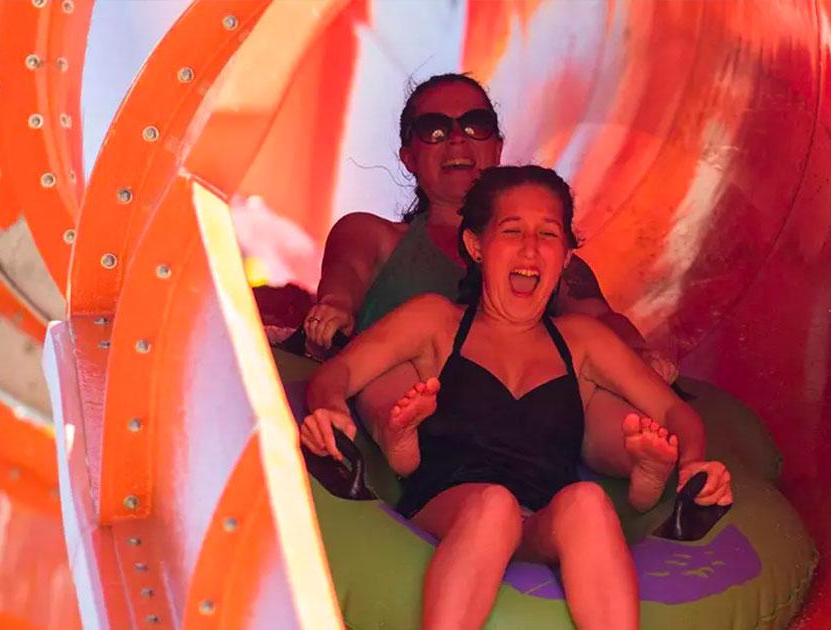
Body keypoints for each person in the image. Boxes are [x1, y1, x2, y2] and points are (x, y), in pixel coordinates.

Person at [300, 166, 732, 630]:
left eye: (548, 234)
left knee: (587, 502)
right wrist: (332, 410)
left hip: (539, 517)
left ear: (566, 256)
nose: (530, 249)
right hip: (451, 506)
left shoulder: (582, 341)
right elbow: (337, 373)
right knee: (494, 507)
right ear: (476, 246)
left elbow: (674, 411)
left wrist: (693, 465)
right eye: (512, 231)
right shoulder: (437, 323)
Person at [301, 73, 674, 477]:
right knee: (396, 368)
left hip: (518, 437)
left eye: (475, 125)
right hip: (401, 417)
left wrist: (641, 353)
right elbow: (344, 281)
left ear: (497, 146)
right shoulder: (374, 235)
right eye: (435, 129)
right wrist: (335, 307)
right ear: (408, 156)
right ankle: (404, 439)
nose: (457, 140)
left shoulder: (547, 257)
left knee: (602, 390)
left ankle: (646, 469)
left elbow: (601, 320)